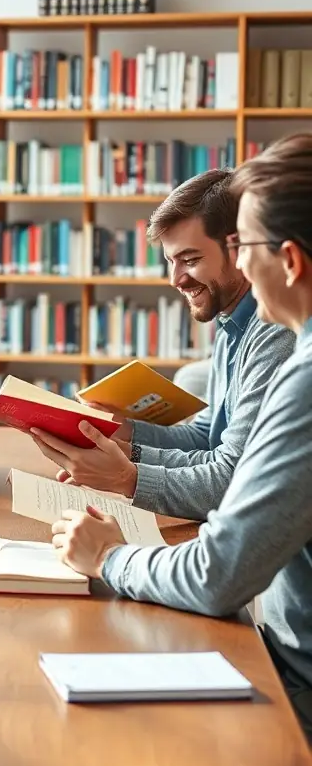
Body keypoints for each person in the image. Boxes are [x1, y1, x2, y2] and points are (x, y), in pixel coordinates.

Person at [50, 133, 312, 740]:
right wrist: (124, 439)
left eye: (244, 247)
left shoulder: (300, 371)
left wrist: (108, 557)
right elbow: (217, 442)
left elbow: (220, 571)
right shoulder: (259, 338)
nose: (242, 265)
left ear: (291, 261)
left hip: (296, 676)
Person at [30, 169, 295, 519]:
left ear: (239, 250)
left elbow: (235, 478)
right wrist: (125, 437)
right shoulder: (232, 319)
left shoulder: (277, 332)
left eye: (191, 260)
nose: (176, 280)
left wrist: (126, 477)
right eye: (171, 261)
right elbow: (209, 438)